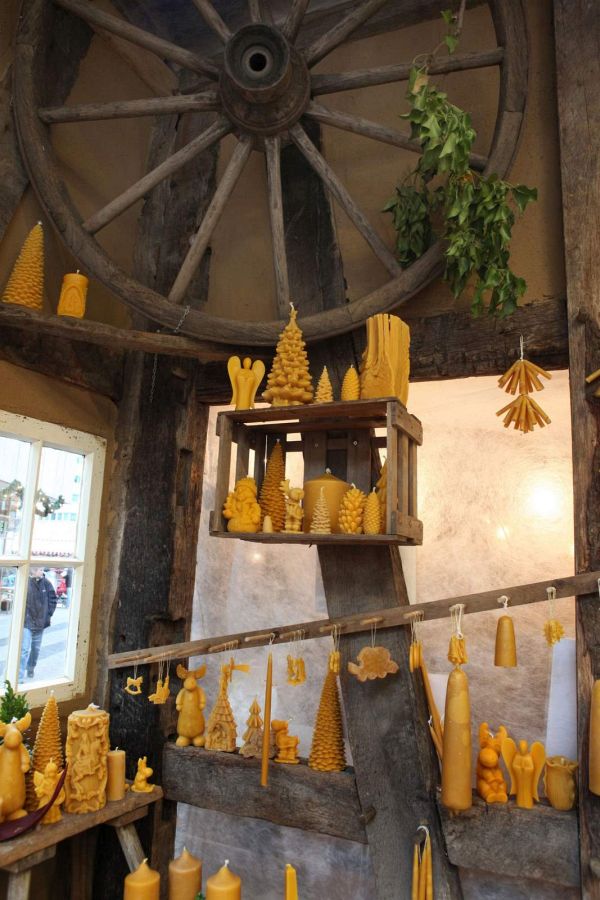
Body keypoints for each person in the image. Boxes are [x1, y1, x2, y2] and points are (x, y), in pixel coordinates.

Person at [19, 567, 57, 681]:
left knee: (36, 649)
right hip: (27, 622)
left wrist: (48, 614)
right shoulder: (25, 582)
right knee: (24, 650)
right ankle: (19, 676)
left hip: (40, 623)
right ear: (33, 571)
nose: (42, 571)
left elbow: (53, 599)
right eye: (40, 569)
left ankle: (30, 667)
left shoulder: (46, 583)